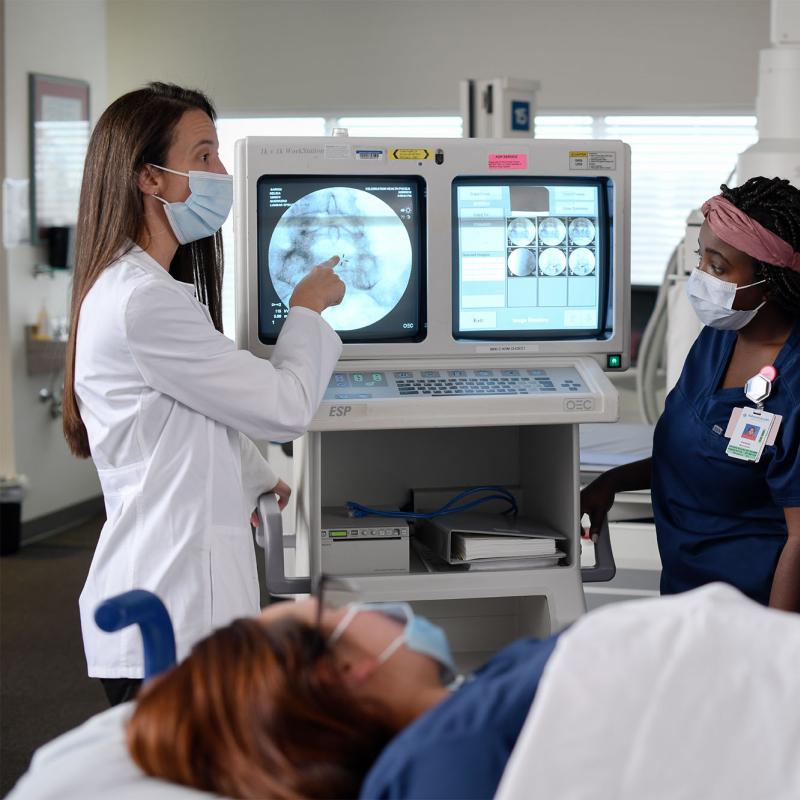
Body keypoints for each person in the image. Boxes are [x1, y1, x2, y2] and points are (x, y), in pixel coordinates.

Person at [62, 82, 346, 705]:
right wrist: (306, 312)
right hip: (167, 612)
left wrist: (250, 473)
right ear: (149, 179)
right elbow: (283, 408)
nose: (223, 173)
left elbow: (180, 415)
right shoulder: (143, 301)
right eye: (204, 155)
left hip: (177, 600)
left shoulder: (144, 290)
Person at [581, 177, 800, 611]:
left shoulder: (793, 388)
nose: (700, 278)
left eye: (718, 267)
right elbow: (696, 452)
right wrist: (611, 484)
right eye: (701, 257)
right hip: (690, 593)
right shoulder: (720, 337)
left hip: (757, 608)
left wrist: (777, 644)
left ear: (771, 281)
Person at [125, 585, 560, 800]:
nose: (362, 610)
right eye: (336, 611)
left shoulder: (474, 702)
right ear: (342, 672)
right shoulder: (451, 756)